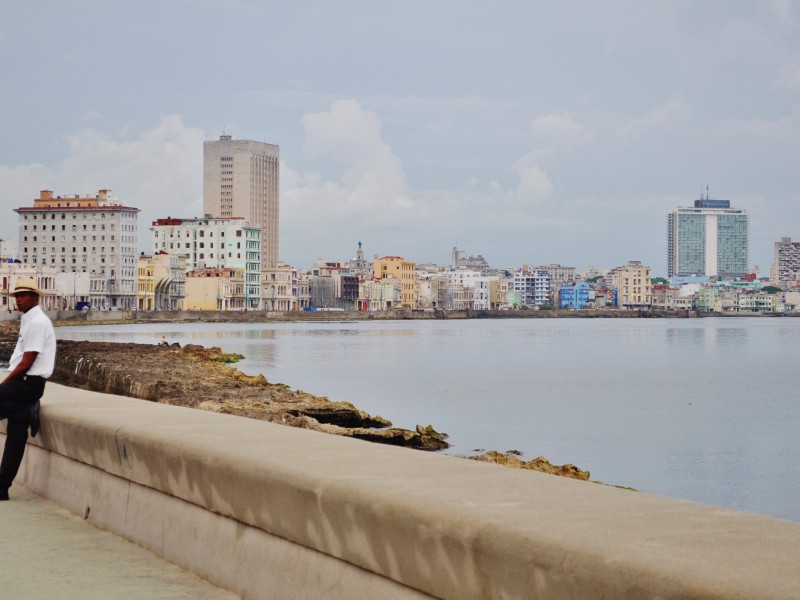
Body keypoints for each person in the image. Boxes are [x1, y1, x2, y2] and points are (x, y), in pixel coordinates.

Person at [0, 277, 56, 501]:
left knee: (16, 424)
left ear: (35, 297)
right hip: (23, 385)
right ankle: (2, 488)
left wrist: (4, 385)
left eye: (23, 296)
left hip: (28, 385)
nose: (18, 300)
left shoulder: (37, 322)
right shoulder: (29, 319)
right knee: (17, 430)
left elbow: (27, 362)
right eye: (16, 296)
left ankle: (25, 408)